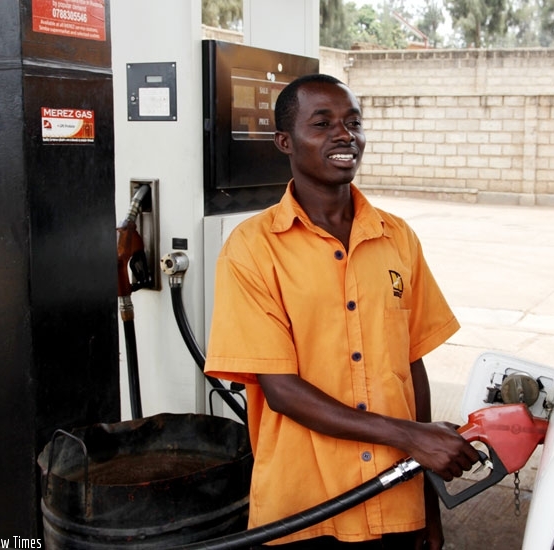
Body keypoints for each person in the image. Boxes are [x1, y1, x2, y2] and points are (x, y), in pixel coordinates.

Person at [205, 73, 479, 549]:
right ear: (285, 141)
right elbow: (282, 391)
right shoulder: (252, 249)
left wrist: (428, 501)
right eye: (323, 123)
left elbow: (411, 367)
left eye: (354, 122)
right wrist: (413, 438)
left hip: (395, 502)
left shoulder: (398, 238)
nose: (345, 135)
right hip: (303, 511)